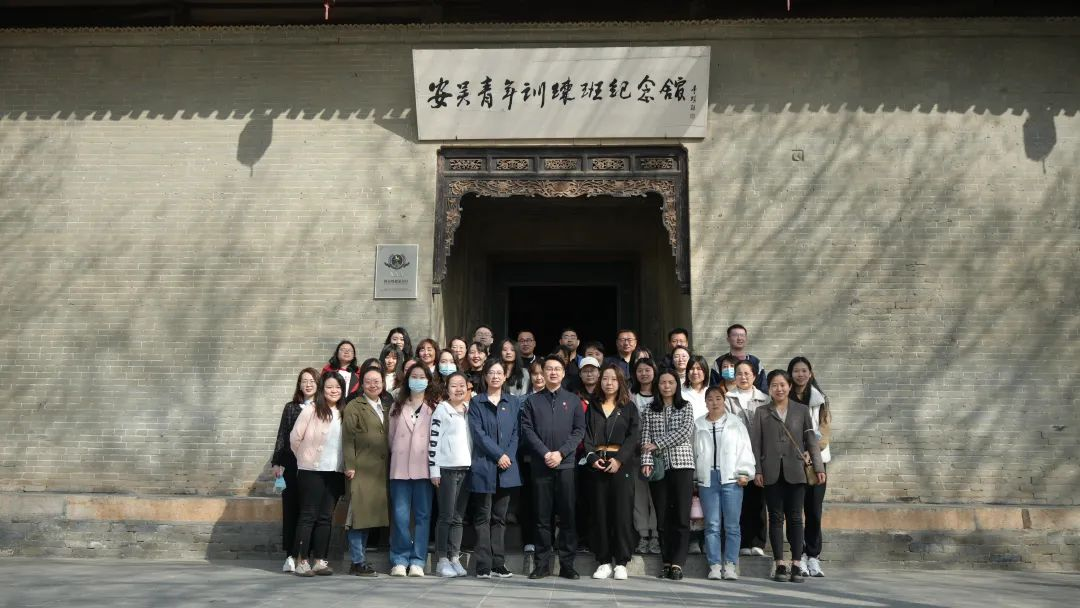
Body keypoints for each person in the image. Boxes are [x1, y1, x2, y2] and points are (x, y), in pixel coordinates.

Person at [751, 370, 826, 583]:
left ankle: (796, 563)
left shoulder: (801, 410)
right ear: (769, 389)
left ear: (789, 386)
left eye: (782, 384)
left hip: (796, 470)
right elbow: (756, 444)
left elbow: (811, 441)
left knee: (795, 518)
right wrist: (757, 470)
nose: (779, 389)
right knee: (775, 518)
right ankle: (779, 564)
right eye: (774, 385)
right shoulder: (762, 412)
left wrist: (818, 467)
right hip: (771, 471)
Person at [521, 355, 586, 580]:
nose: (553, 372)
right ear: (542, 372)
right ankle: (542, 564)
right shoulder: (532, 401)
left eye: (557, 369)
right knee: (542, 517)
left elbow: (579, 430)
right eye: (548, 369)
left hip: (565, 465)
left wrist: (561, 453)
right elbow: (527, 430)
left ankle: (567, 564)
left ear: (563, 372)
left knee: (567, 516)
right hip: (541, 465)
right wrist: (546, 453)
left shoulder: (573, 400)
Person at [584, 364, 641, 580]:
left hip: (621, 465)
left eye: (614, 379)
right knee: (600, 513)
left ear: (620, 382)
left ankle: (622, 561)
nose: (609, 383)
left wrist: (619, 460)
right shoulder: (593, 406)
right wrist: (592, 458)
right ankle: (604, 561)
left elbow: (633, 437)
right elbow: (586, 435)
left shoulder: (629, 407)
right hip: (598, 464)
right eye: (605, 378)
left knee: (622, 513)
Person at [694, 386, 756, 581]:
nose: (714, 402)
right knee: (712, 524)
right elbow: (694, 452)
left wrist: (744, 472)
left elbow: (745, 449)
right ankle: (714, 565)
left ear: (724, 400)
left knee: (732, 525)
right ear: (705, 402)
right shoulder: (698, 424)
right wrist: (695, 477)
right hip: (707, 479)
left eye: (718, 398)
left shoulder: (735, 423)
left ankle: (730, 565)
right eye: (710, 399)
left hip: (731, 478)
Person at [289, 372, 347, 577]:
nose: (334, 391)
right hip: (311, 471)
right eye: (329, 387)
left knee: (325, 517)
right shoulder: (311, 410)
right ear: (322, 389)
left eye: (338, 387)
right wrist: (305, 458)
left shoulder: (344, 412)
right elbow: (295, 438)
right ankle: (301, 560)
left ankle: (320, 560)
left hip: (335, 471)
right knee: (308, 515)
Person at [468, 359, 521, 578]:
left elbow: (516, 432)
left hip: (506, 468)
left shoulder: (513, 402)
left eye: (499, 372)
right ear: (485, 376)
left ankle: (498, 563)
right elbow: (478, 434)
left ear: (505, 376)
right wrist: (499, 455)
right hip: (484, 465)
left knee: (500, 517)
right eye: (491, 372)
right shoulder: (477, 402)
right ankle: (483, 564)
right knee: (483, 516)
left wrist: (507, 456)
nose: (496, 376)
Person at [640, 369, 696, 581]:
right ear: (658, 385)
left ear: (676, 385)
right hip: (658, 467)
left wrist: (657, 444)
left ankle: (678, 563)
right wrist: (646, 461)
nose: (666, 386)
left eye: (671, 382)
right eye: (663, 382)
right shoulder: (649, 409)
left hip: (682, 466)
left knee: (681, 516)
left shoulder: (686, 406)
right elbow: (644, 437)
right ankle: (666, 561)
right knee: (662, 517)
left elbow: (685, 432)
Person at [386, 362, 438, 577]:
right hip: (399, 468)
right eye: (413, 376)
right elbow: (390, 438)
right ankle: (399, 559)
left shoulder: (434, 406)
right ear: (407, 380)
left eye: (421, 376)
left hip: (424, 469)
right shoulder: (397, 406)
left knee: (423, 516)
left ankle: (418, 560)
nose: (417, 380)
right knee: (400, 516)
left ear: (428, 380)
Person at [342, 368, 390, 577]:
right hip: (360, 469)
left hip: (379, 471)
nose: (373, 385)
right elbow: (347, 438)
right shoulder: (355, 406)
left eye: (377, 381)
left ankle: (359, 559)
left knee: (368, 516)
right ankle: (357, 561)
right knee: (358, 516)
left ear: (383, 384)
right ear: (362, 384)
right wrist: (350, 465)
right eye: (369, 381)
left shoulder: (385, 407)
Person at [270, 367, 318, 573]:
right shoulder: (291, 407)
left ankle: (305, 555)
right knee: (291, 510)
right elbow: (282, 434)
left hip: (314, 466)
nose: (308, 384)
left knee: (309, 512)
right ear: (299, 385)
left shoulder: (322, 407)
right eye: (304, 381)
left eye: (312, 381)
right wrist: (276, 462)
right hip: (291, 464)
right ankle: (290, 555)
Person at [789, 356, 832, 578]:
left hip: (816, 462)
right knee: (795, 511)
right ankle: (799, 556)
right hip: (792, 460)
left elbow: (824, 431)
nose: (800, 374)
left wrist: (811, 451)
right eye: (796, 371)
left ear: (810, 373)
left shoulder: (820, 399)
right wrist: (798, 451)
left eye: (804, 370)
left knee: (814, 510)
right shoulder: (784, 398)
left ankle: (813, 555)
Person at [429, 372, 472, 578]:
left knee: (458, 518)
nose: (458, 389)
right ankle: (442, 560)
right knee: (446, 516)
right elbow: (433, 441)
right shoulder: (441, 410)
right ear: (447, 389)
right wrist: (434, 470)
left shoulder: (468, 410)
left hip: (466, 469)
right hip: (446, 470)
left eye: (462, 385)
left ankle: (455, 557)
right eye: (454, 385)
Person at [726, 359, 771, 557]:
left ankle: (758, 542)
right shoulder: (727, 398)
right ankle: (744, 542)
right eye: (739, 373)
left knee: (759, 500)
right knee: (741, 500)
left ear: (754, 376)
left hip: (760, 455)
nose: (743, 377)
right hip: (737, 456)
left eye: (747, 373)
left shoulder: (765, 399)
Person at [629, 358, 660, 555]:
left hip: (657, 454)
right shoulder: (630, 396)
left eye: (647, 370)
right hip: (634, 453)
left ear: (654, 372)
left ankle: (656, 535)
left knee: (655, 496)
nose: (644, 374)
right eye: (640, 370)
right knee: (639, 497)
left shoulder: (661, 395)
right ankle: (643, 535)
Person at [713, 324, 767, 392]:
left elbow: (763, 388)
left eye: (742, 335)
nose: (739, 338)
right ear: (728, 339)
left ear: (746, 338)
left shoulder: (755, 362)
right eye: (735, 335)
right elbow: (713, 389)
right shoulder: (719, 362)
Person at [681, 355, 710, 420]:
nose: (695, 372)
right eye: (691, 368)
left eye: (699, 369)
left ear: (705, 372)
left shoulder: (710, 393)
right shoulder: (681, 392)